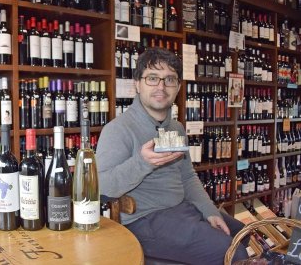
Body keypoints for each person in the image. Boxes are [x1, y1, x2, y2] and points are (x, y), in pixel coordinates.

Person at [96, 47, 248, 264]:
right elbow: (101, 187)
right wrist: (142, 162)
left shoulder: (176, 128)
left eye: (169, 79)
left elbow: (187, 177)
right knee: (234, 253)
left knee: (244, 232)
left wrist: (209, 211)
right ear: (137, 84)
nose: (161, 87)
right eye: (152, 78)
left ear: (178, 87)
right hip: (145, 221)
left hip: (181, 210)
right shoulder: (118, 129)